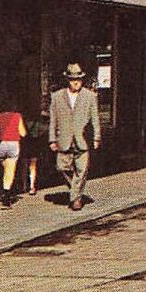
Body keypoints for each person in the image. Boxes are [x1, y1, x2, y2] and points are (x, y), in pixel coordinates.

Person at [49, 63, 101, 210]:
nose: (76, 82)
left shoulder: (90, 96)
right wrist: (52, 139)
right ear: (68, 80)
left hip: (83, 139)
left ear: (82, 79)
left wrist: (97, 137)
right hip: (64, 138)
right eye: (72, 79)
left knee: (82, 169)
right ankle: (75, 189)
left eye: (78, 79)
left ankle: (75, 198)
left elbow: (95, 118)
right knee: (62, 168)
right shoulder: (57, 97)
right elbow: (54, 119)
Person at [0, 98, 27, 208]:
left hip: (1, 145)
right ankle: (6, 197)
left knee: (4, 169)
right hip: (13, 144)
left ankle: (4, 190)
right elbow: (23, 133)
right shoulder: (17, 116)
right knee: (10, 172)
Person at [23, 98, 50, 194]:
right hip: (35, 145)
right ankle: (32, 186)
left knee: (24, 165)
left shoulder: (24, 121)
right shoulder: (39, 123)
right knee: (33, 166)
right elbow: (44, 132)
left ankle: (24, 185)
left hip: (25, 144)